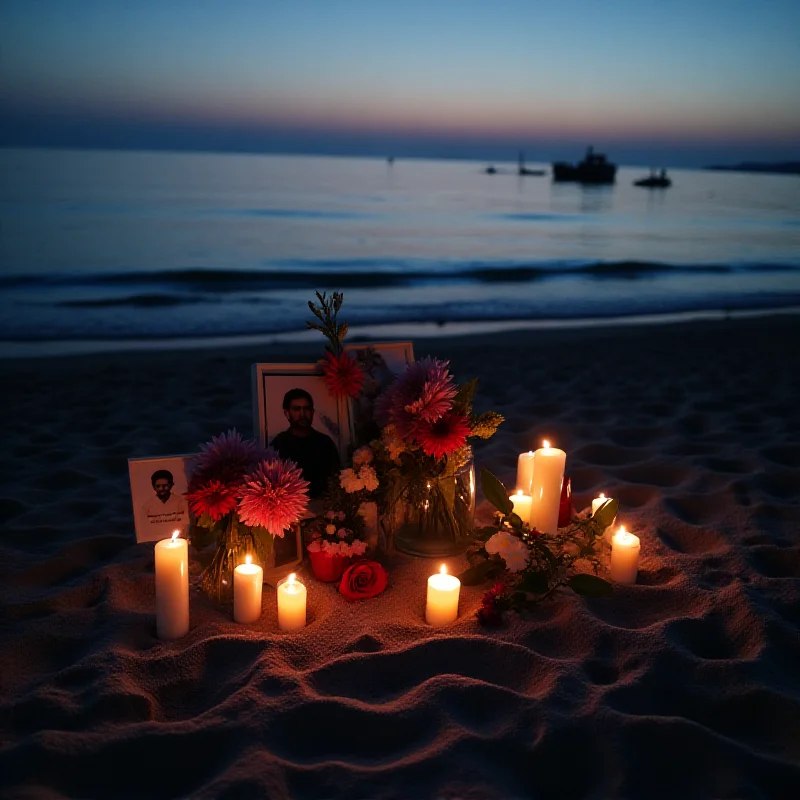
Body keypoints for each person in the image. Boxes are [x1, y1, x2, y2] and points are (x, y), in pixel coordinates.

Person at [270, 388, 341, 498]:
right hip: (290, 510)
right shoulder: (278, 444)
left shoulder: (325, 443)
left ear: (312, 411)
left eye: (306, 409)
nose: (302, 414)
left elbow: (336, 479)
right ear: (287, 413)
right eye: (297, 409)